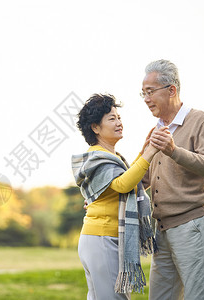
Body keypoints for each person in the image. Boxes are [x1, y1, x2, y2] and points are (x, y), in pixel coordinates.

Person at [141, 59, 204, 300]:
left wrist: (174, 151)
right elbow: (143, 178)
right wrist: (104, 197)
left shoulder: (200, 120)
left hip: (193, 227)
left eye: (150, 92)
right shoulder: (156, 130)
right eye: (143, 93)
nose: (145, 99)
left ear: (171, 90)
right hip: (162, 230)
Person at [71, 93, 158, 300]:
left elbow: (128, 178)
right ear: (95, 127)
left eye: (119, 117)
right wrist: (149, 153)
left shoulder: (113, 158)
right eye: (112, 118)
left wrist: (143, 151)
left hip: (102, 238)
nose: (119, 123)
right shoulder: (96, 157)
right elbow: (122, 184)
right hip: (101, 238)